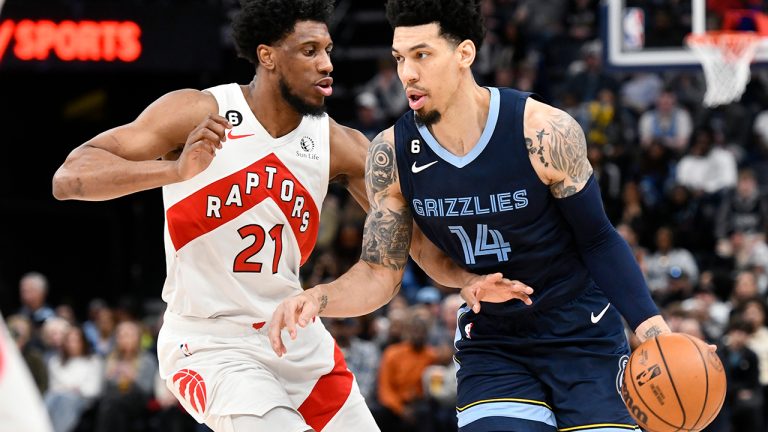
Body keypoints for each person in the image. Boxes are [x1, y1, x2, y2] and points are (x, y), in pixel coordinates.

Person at [51, 1, 532, 431]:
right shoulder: (200, 110)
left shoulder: (336, 144)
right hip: (210, 342)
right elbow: (71, 177)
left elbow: (415, 241)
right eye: (309, 51)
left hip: (295, 340)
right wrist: (174, 171)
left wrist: (465, 279)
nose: (326, 64)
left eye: (327, 50)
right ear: (267, 56)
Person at [269, 1, 678, 431]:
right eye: (399, 58)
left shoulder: (543, 131)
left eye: (422, 55)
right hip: (495, 340)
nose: (407, 73)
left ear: (465, 54)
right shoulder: (391, 155)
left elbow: (597, 238)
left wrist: (651, 327)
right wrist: (318, 297)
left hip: (582, 331)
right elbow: (379, 272)